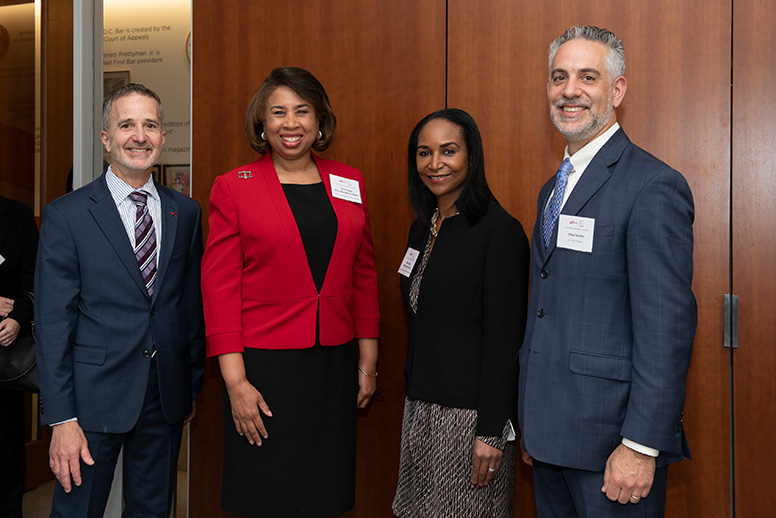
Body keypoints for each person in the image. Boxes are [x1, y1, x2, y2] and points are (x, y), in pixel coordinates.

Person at [518, 26, 697, 517]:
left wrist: (640, 445)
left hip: (613, 447)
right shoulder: (552, 191)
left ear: (616, 90)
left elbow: (666, 330)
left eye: (587, 76)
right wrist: (531, 418)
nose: (569, 90)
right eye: (559, 77)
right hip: (551, 436)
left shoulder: (654, 186)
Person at [201, 66, 380, 518]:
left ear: (320, 121)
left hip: (333, 364)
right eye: (277, 112)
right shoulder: (233, 187)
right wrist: (235, 383)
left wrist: (368, 362)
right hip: (263, 369)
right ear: (261, 123)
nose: (291, 122)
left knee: (325, 493)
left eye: (302, 111)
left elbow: (364, 274)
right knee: (268, 494)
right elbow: (219, 290)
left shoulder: (350, 182)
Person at [34, 83, 205, 518]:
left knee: (152, 510)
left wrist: (189, 388)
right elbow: (53, 324)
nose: (140, 136)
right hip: (90, 402)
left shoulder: (184, 213)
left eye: (150, 125)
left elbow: (189, 307)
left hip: (163, 397)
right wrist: (60, 418)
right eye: (126, 124)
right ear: (107, 138)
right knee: (78, 511)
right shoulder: (66, 215)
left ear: (164, 137)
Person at [392, 108, 529, 517]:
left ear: (471, 157)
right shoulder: (424, 227)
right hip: (420, 410)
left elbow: (505, 341)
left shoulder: (499, 232)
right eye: (424, 153)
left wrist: (492, 430)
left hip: (469, 423)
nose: (435, 164)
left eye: (448, 151)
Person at [0, 193, 38, 518]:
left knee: (8, 447)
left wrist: (18, 318)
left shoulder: (20, 216)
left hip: (8, 354)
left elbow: (34, 278)